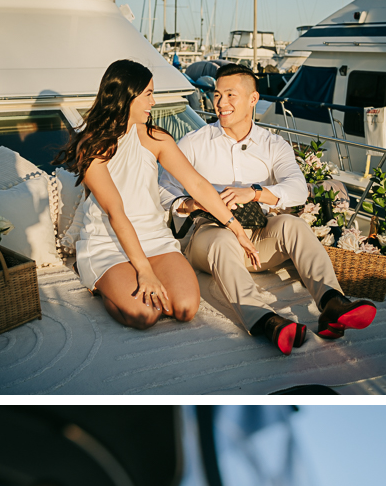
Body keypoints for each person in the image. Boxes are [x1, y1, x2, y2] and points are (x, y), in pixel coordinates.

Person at [159, 64, 378, 352]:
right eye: (217, 95)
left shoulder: (273, 144)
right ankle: (265, 320)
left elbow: (298, 190)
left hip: (258, 236)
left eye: (230, 95)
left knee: (293, 225)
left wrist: (255, 193)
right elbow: (163, 191)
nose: (221, 103)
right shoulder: (193, 143)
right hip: (208, 235)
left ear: (253, 99)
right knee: (222, 239)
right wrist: (191, 202)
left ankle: (331, 303)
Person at [53, 60, 259, 334]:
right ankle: (101, 279)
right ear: (128, 96)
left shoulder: (156, 138)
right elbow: (116, 211)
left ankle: (127, 282)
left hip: (154, 237)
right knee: (144, 315)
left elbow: (197, 184)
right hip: (109, 241)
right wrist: (144, 272)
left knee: (185, 308)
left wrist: (236, 229)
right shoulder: (92, 145)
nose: (153, 101)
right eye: (148, 93)